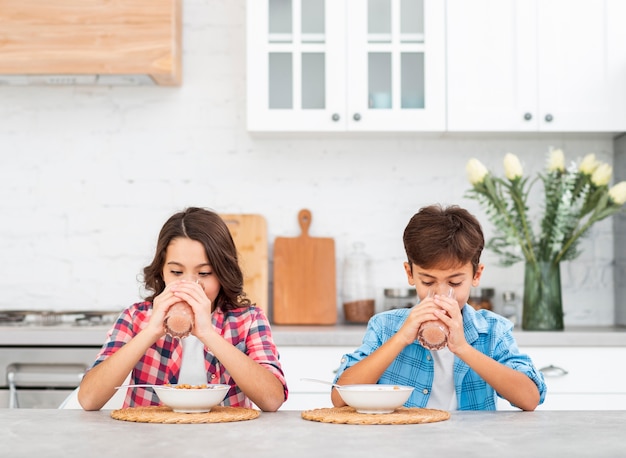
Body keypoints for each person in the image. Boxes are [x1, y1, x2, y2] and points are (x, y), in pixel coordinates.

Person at [331, 204, 546, 411]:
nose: (441, 294)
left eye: (454, 283)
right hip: (402, 444)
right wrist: (400, 338)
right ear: (410, 274)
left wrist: (463, 348)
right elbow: (339, 398)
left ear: (476, 275)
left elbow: (530, 399)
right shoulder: (385, 326)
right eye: (427, 282)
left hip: (473, 444)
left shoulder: (492, 331)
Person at [78, 207, 287, 412]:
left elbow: (272, 400)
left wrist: (207, 334)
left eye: (204, 273)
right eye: (176, 271)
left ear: (223, 273)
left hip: (225, 440)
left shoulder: (248, 320)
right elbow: (89, 399)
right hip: (150, 440)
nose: (188, 284)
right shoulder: (135, 318)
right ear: (161, 270)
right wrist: (151, 332)